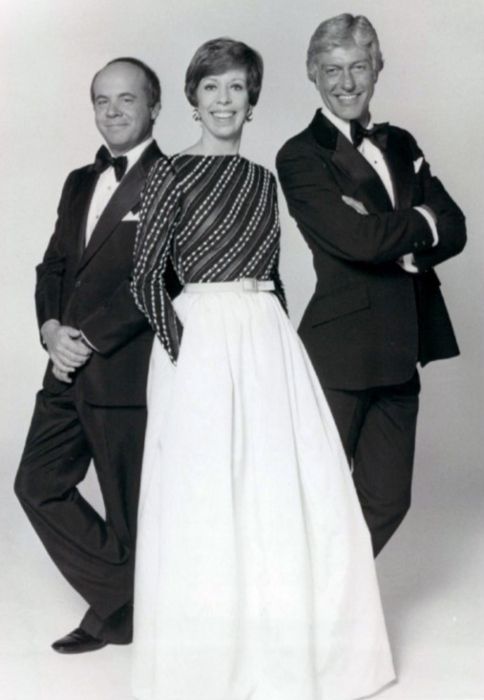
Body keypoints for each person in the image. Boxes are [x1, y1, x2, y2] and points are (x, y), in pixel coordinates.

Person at [131, 37, 394, 700]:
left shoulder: (264, 181)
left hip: (265, 336)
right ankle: (208, 671)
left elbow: (273, 275)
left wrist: (280, 343)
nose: (225, 100)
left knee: (279, 491)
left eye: (237, 88)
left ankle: (283, 663)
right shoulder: (169, 173)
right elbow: (144, 280)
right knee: (206, 497)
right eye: (212, 87)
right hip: (199, 338)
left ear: (252, 100)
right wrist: (184, 353)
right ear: (193, 98)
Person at [276, 14, 466, 557]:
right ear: (313, 74)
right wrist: (418, 222)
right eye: (332, 70)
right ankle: (301, 618)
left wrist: (398, 231)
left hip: (403, 347)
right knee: (316, 496)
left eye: (359, 66)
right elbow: (356, 240)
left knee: (387, 501)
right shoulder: (300, 155)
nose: (347, 82)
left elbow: (455, 226)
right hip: (339, 355)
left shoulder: (401, 142)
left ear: (377, 69)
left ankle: (334, 606)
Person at [14, 57, 175, 654]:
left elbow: (160, 278)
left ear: (153, 106)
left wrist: (88, 338)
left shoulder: (171, 179)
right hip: (63, 364)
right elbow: (53, 264)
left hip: (123, 370)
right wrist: (51, 328)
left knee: (127, 505)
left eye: (126, 99)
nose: (113, 111)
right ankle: (125, 599)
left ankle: (122, 613)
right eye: (102, 100)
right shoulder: (79, 179)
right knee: (37, 483)